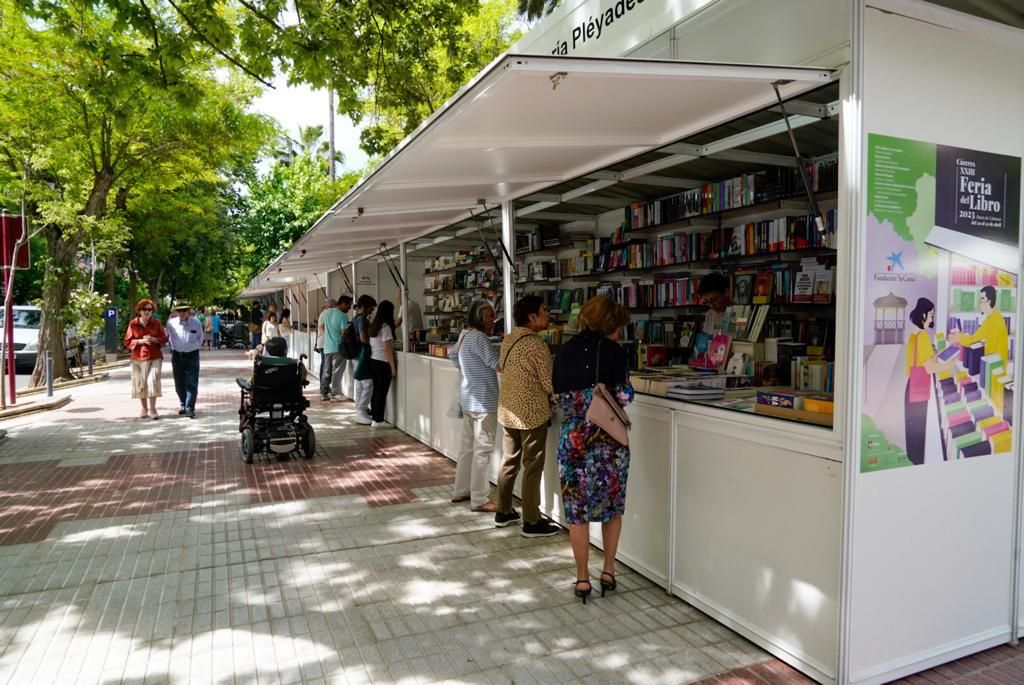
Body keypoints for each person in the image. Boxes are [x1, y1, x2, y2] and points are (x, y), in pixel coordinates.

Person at [552, 295, 634, 604]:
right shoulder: (616, 353)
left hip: (574, 440)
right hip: (609, 441)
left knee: (577, 513)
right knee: (613, 507)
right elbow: (625, 398)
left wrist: (580, 401)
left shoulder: (564, 352)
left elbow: (557, 399)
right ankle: (609, 571)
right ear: (612, 325)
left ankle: (583, 578)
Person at [495, 295, 559, 537]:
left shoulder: (510, 338)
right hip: (531, 412)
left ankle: (503, 511)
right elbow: (548, 382)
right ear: (532, 317)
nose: (547, 314)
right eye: (544, 310)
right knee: (532, 466)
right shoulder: (536, 344)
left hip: (508, 410)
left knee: (509, 460)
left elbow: (502, 366)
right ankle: (532, 521)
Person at [449, 299, 500, 513]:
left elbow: (453, 354)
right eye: (489, 316)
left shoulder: (464, 335)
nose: (493, 321)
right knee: (483, 449)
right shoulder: (480, 338)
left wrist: (466, 369)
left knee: (467, 448)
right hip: (484, 401)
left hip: (468, 398)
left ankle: (461, 490)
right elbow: (497, 364)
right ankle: (479, 498)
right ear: (479, 317)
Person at [905, 298, 956, 465]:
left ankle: (914, 462)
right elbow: (929, 368)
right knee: (919, 431)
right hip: (919, 388)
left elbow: (922, 358)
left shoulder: (915, 333)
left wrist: (936, 355)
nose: (932, 318)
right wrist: (949, 365)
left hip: (911, 386)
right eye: (931, 314)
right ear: (923, 314)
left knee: (913, 430)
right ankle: (918, 466)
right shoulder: (923, 337)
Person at [123, 299, 168, 420]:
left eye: (150, 309)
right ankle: (144, 409)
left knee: (153, 381)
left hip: (155, 356)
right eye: (145, 309)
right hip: (138, 357)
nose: (147, 311)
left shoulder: (157, 323)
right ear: (139, 310)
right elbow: (127, 341)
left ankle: (153, 409)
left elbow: (164, 339)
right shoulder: (133, 324)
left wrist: (154, 339)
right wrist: (140, 341)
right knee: (140, 383)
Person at [948, 285, 1010, 367]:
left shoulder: (991, 321)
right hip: (999, 363)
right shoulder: (997, 316)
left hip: (994, 366)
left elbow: (972, 341)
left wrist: (959, 337)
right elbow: (990, 338)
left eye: (982, 300)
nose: (980, 304)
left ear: (989, 301)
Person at [166, 301, 204, 418]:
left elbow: (200, 337)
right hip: (177, 355)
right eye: (180, 311)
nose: (182, 313)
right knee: (179, 382)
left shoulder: (196, 322)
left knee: (191, 382)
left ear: (188, 311)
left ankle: (189, 408)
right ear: (177, 312)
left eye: (184, 310)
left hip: (192, 355)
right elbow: (170, 337)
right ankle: (183, 403)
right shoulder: (171, 323)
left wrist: (192, 346)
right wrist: (176, 348)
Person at [367, 301, 397, 428]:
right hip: (383, 363)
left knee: (376, 391)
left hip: (374, 360)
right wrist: (393, 367)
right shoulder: (386, 327)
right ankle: (378, 420)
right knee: (381, 392)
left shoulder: (375, 326)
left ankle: (375, 418)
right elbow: (387, 349)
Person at [320, 295, 352, 401]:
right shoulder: (343, 315)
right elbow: (344, 333)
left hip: (327, 347)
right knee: (337, 371)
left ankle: (324, 393)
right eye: (348, 305)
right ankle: (335, 392)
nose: (349, 308)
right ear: (343, 303)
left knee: (327, 370)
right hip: (339, 347)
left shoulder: (326, 313)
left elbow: (322, 327)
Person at [351, 295, 377, 424]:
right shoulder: (362, 319)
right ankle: (361, 410)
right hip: (362, 355)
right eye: (371, 309)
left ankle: (360, 409)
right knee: (367, 383)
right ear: (365, 307)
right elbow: (363, 338)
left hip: (356, 355)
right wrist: (370, 343)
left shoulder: (355, 318)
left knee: (360, 383)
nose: (371, 311)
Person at [316, 299, 337, 381]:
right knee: (325, 365)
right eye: (334, 306)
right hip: (324, 343)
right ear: (329, 306)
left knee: (325, 365)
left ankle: (324, 384)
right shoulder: (324, 314)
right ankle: (323, 384)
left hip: (325, 343)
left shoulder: (326, 314)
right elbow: (322, 328)